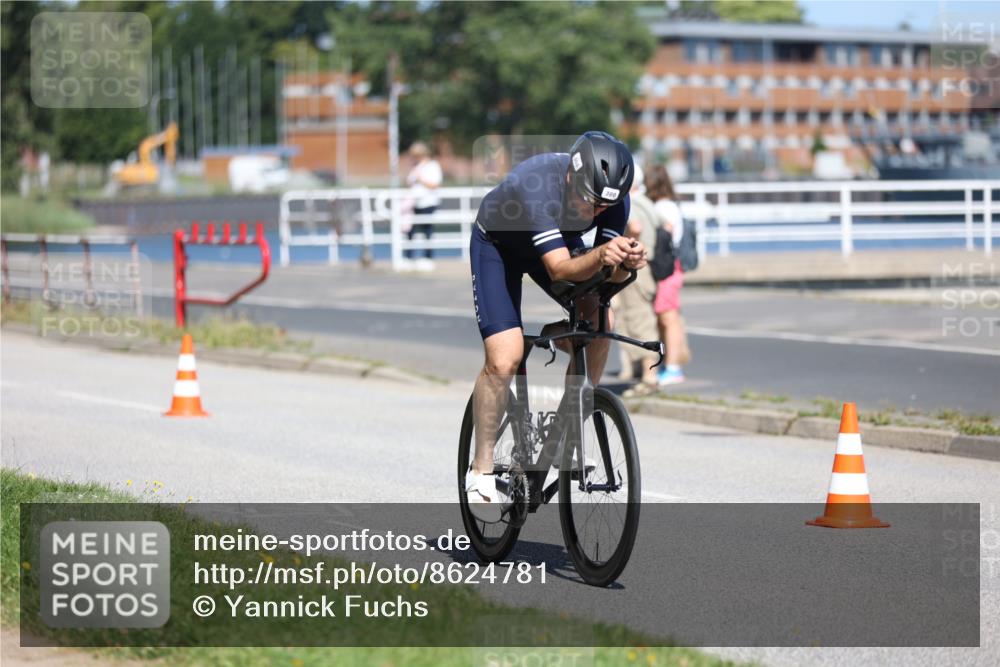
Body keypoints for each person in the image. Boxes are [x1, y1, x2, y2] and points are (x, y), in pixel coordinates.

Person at [467, 131, 647, 521]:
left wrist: (624, 263)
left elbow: (606, 279)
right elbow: (560, 269)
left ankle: (573, 416)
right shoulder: (537, 183)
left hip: (553, 250)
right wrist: (601, 254)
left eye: (606, 206)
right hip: (500, 248)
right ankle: (480, 470)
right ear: (571, 178)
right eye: (592, 201)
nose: (599, 211)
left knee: (601, 321)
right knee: (505, 357)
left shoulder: (612, 199)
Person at [611, 164, 660, 396]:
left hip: (637, 267)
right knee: (642, 319)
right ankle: (647, 375)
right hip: (648, 266)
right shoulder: (648, 203)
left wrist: (629, 247)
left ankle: (649, 378)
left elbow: (635, 227)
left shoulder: (631, 203)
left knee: (638, 320)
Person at [645, 165, 689, 386]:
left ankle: (673, 368)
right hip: (671, 266)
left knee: (668, 317)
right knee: (668, 317)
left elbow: (665, 237)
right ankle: (671, 364)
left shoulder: (663, 207)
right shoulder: (669, 205)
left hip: (667, 268)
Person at [405, 142, 443, 267]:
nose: (415, 158)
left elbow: (435, 185)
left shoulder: (432, 166)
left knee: (427, 230)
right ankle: (409, 257)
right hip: (414, 203)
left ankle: (428, 257)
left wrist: (420, 179)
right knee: (410, 230)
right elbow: (409, 182)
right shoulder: (415, 166)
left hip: (428, 202)